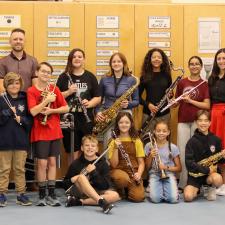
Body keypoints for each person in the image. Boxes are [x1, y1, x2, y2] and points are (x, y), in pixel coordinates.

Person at [27, 62, 69, 206]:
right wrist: (46, 101)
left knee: (52, 163)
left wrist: (52, 111)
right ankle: (41, 195)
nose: (46, 74)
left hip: (54, 131)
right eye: (43, 71)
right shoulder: (31, 91)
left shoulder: (54, 89)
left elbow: (66, 108)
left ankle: (51, 194)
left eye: (48, 72)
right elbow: (33, 111)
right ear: (37, 72)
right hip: (40, 132)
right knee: (42, 164)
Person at [57, 48, 101, 163]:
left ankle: (85, 178)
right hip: (68, 119)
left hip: (86, 120)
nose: (77, 59)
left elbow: (98, 97)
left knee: (88, 149)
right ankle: (73, 176)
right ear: (70, 60)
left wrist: (89, 103)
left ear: (84, 60)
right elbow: (56, 97)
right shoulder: (63, 77)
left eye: (80, 56)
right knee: (72, 151)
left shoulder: (90, 77)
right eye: (74, 57)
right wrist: (68, 92)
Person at [175, 56, 210, 189]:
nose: (194, 66)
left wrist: (190, 101)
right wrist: (172, 101)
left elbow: (207, 105)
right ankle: (183, 182)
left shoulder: (204, 84)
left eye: (197, 64)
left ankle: (198, 182)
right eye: (192, 64)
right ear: (188, 66)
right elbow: (176, 103)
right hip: (183, 120)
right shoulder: (182, 83)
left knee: (198, 152)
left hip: (198, 122)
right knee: (183, 151)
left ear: (201, 67)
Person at [63, 135, 120, 214]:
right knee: (81, 177)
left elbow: (105, 186)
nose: (90, 148)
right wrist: (75, 178)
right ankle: (101, 202)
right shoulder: (75, 164)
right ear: (82, 148)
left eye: (93, 146)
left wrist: (94, 172)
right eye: (87, 145)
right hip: (80, 192)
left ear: (97, 149)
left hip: (96, 191)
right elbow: (64, 184)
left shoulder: (103, 164)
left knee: (115, 196)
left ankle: (80, 202)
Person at [0, 72, 32, 207]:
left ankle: (21, 194)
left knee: (20, 169)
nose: (14, 85)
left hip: (21, 140)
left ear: (21, 84)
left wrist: (22, 119)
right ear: (6, 85)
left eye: (17, 83)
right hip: (4, 141)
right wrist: (5, 113)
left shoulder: (25, 99)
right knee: (3, 169)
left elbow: (31, 120)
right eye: (11, 83)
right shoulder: (1, 99)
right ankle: (1, 194)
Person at [95, 52, 139, 148]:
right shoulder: (104, 79)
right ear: (111, 64)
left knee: (124, 143)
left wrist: (128, 104)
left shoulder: (131, 79)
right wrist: (98, 112)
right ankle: (107, 162)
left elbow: (136, 101)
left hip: (124, 114)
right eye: (114, 62)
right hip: (108, 114)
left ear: (124, 63)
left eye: (119, 61)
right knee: (108, 142)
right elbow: (99, 99)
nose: (116, 63)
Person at [184, 110, 224, 202]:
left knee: (218, 179)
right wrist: (207, 170)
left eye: (206, 120)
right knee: (188, 197)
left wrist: (223, 157)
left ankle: (210, 187)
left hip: (210, 175)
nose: (203, 123)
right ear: (196, 122)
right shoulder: (191, 142)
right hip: (195, 175)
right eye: (200, 120)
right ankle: (198, 189)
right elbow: (189, 164)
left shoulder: (216, 140)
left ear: (210, 122)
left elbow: (220, 161)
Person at [108, 111, 145, 202]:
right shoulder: (113, 141)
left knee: (138, 197)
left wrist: (139, 174)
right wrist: (116, 147)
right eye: (121, 122)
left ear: (131, 124)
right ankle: (120, 188)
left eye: (127, 122)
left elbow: (141, 163)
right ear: (117, 124)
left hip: (133, 172)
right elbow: (113, 164)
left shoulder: (137, 140)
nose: (124, 125)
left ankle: (128, 189)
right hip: (118, 170)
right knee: (122, 179)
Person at [145, 120, 181, 203]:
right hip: (154, 173)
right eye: (158, 131)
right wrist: (151, 156)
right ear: (154, 131)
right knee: (156, 199)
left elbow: (179, 168)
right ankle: (156, 188)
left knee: (173, 199)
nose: (161, 133)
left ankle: (164, 189)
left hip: (168, 173)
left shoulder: (173, 147)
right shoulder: (149, 146)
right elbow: (147, 168)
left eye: (164, 131)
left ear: (168, 132)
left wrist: (165, 167)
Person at [139, 48, 172, 133]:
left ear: (163, 60)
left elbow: (171, 94)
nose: (156, 59)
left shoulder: (167, 75)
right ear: (149, 60)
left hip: (164, 114)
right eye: (154, 57)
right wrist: (148, 105)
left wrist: (170, 94)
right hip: (148, 114)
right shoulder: (144, 76)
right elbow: (137, 97)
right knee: (147, 139)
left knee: (163, 139)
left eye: (159, 57)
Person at [208, 48, 225, 195]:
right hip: (214, 114)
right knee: (215, 147)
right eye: (219, 58)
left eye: (224, 58)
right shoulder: (212, 78)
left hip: (224, 114)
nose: (221, 61)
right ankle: (217, 181)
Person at [0, 28, 38, 92]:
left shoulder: (33, 61)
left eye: (21, 39)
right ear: (10, 42)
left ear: (24, 42)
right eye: (15, 39)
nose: (18, 41)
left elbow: (35, 85)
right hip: (9, 100)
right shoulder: (2, 62)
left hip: (27, 99)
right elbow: (1, 85)